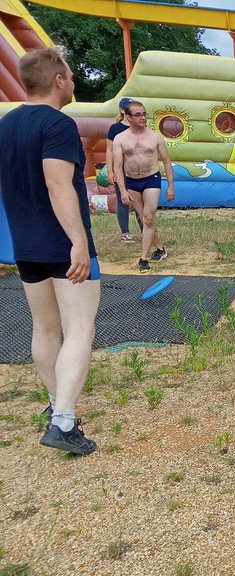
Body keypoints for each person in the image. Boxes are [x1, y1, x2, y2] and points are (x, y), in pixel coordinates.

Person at [0, 47, 100, 455]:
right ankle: (63, 422)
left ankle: (56, 404)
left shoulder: (6, 125)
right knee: (79, 328)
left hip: (25, 243)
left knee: (44, 328)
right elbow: (58, 185)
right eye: (71, 77)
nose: (73, 83)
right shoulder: (58, 124)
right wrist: (78, 242)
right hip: (61, 242)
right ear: (58, 80)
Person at [111, 101, 175, 274]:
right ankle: (160, 249)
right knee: (145, 219)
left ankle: (143, 259)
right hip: (132, 181)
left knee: (148, 217)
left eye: (144, 114)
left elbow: (167, 162)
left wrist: (170, 186)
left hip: (151, 180)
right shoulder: (120, 138)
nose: (143, 118)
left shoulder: (155, 137)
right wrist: (122, 190)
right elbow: (117, 166)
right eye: (138, 115)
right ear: (128, 117)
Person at [106, 97, 143, 243]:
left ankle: (146, 230)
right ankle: (125, 233)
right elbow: (109, 150)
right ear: (122, 110)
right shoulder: (115, 128)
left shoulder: (140, 127)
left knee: (140, 200)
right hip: (120, 169)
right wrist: (110, 171)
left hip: (137, 169)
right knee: (123, 200)